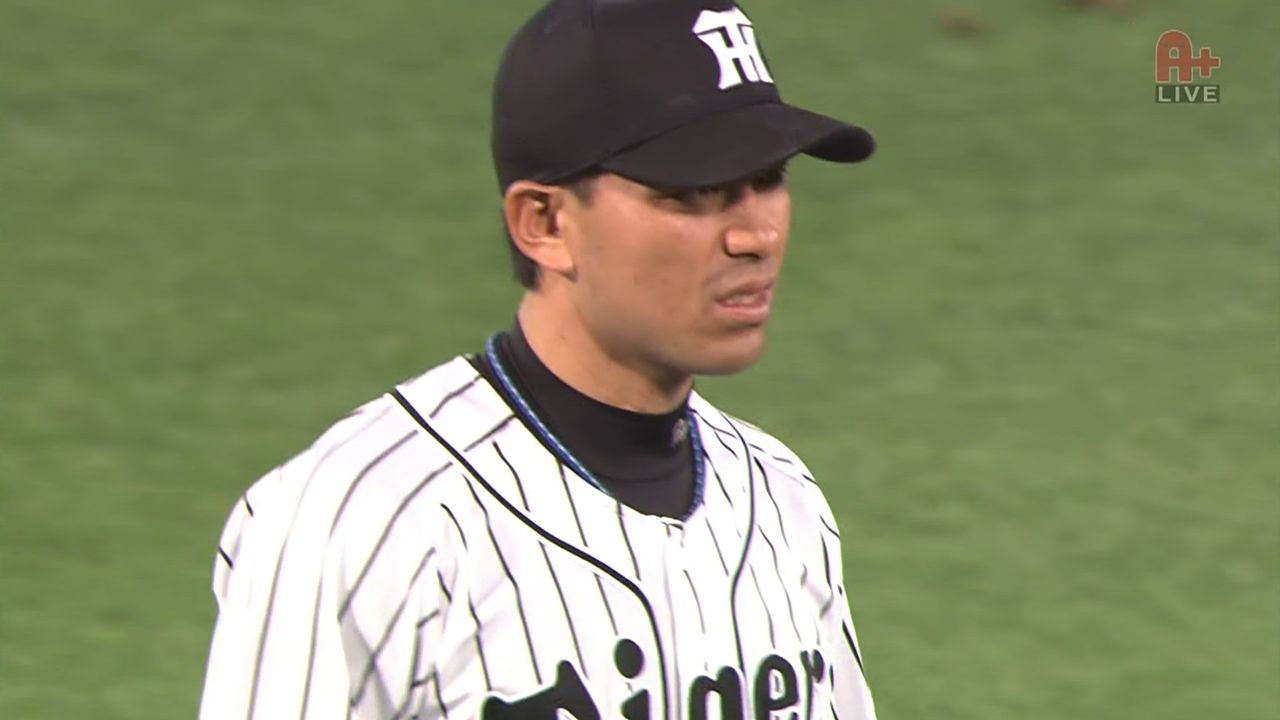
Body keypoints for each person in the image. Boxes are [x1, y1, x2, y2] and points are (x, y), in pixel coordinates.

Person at [198, 0, 877, 717]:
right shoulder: (358, 522)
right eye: (693, 192)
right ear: (544, 223)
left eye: (769, 177)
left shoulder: (782, 498)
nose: (754, 237)